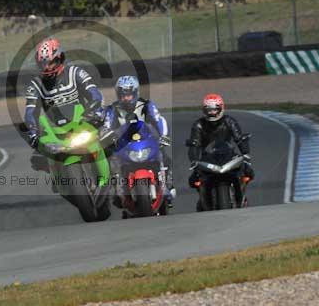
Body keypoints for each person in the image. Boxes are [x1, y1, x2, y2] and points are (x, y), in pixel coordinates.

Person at [24, 38, 105, 167]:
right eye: (43, 64)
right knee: (39, 158)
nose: (47, 67)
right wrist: (32, 130)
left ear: (59, 58)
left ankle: (112, 173)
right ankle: (58, 182)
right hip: (53, 130)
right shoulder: (35, 85)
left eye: (50, 62)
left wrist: (95, 107)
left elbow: (93, 92)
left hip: (83, 121)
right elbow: (30, 111)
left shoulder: (75, 72)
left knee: (105, 140)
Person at [101, 75, 175, 209]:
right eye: (123, 95)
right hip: (123, 145)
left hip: (146, 141)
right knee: (110, 161)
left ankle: (168, 186)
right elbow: (106, 127)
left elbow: (159, 120)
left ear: (135, 93)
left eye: (129, 95)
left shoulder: (147, 105)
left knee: (164, 155)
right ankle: (117, 191)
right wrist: (107, 138)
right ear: (118, 95)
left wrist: (164, 135)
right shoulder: (112, 110)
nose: (126, 98)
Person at [187, 93, 253, 209]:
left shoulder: (229, 121)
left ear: (221, 108)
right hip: (207, 157)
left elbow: (239, 138)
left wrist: (245, 154)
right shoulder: (198, 124)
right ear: (204, 110)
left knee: (248, 171)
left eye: (214, 109)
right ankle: (203, 201)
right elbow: (194, 144)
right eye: (209, 110)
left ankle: (242, 195)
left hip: (228, 153)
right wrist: (194, 160)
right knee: (193, 180)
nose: (212, 113)